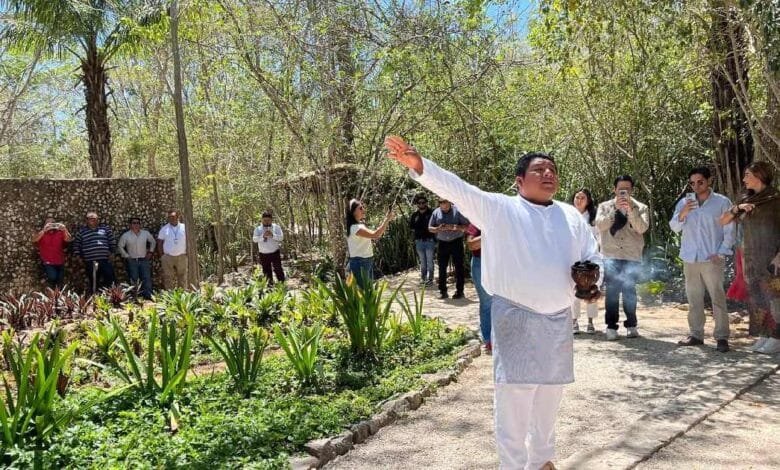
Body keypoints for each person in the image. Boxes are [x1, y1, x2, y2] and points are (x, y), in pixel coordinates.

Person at [385, 135, 601, 470]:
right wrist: (420, 166)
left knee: (549, 395)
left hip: (558, 318)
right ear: (519, 181)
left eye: (552, 170)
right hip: (515, 316)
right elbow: (458, 189)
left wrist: (592, 278)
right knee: (514, 399)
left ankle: (542, 460)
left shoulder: (571, 215)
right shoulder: (500, 208)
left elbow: (591, 254)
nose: (548, 175)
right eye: (539, 169)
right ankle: (513, 466)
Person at [670, 166, 735, 352]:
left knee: (717, 297)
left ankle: (722, 337)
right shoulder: (684, 202)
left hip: (711, 257)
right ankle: (696, 334)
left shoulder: (722, 202)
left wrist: (721, 251)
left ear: (709, 181)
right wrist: (683, 213)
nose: (696, 186)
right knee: (694, 298)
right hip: (690, 257)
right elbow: (674, 227)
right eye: (692, 183)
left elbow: (730, 230)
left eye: (700, 182)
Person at [719, 161, 780, 354]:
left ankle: (777, 337)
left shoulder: (775, 200)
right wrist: (738, 208)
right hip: (750, 258)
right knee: (757, 298)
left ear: (759, 175)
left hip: (771, 259)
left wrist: (779, 257)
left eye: (747, 175)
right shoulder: (746, 200)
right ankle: (764, 334)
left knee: (774, 298)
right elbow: (722, 221)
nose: (744, 179)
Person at [595, 175, 650, 340]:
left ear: (632, 190)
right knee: (611, 292)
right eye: (620, 189)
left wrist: (631, 211)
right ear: (615, 189)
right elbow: (600, 225)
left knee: (629, 292)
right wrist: (614, 211)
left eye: (627, 189)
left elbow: (641, 229)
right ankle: (611, 327)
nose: (624, 193)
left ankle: (631, 325)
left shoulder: (641, 207)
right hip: (611, 255)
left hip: (631, 256)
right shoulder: (605, 206)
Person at [345, 199, 394, 287]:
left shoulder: (358, 226)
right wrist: (387, 220)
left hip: (365, 261)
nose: (363, 210)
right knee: (363, 292)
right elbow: (375, 235)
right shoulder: (355, 228)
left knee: (367, 291)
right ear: (353, 212)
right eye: (360, 208)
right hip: (360, 263)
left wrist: (386, 220)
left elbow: (375, 235)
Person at [429, 199, 470, 299]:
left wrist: (454, 227)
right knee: (442, 268)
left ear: (449, 202)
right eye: (441, 203)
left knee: (459, 267)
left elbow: (467, 226)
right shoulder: (436, 212)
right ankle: (442, 291)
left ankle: (460, 291)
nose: (444, 206)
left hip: (456, 242)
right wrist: (438, 228)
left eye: (445, 203)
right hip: (442, 243)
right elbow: (430, 228)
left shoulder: (458, 211)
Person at [571, 189, 599, 334]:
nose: (579, 200)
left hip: (590, 260)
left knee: (591, 289)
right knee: (573, 289)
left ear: (588, 200)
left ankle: (590, 321)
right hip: (572, 258)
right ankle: (574, 320)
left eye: (583, 197)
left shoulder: (594, 218)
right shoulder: (568, 215)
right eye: (577, 197)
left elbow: (599, 239)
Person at [72, 211, 116, 295]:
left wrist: (112, 252)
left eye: (95, 219)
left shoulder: (105, 229)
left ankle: (111, 297)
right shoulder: (82, 232)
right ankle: (95, 298)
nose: (93, 220)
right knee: (94, 280)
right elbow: (76, 245)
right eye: (90, 219)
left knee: (110, 277)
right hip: (90, 261)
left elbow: (112, 241)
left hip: (105, 259)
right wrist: (78, 257)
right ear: (86, 220)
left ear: (98, 220)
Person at [466, 223, 493, 354]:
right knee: (487, 302)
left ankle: (502, 337)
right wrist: (491, 234)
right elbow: (471, 244)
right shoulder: (477, 222)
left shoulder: (505, 218)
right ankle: (488, 338)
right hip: (480, 264)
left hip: (499, 264)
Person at [117, 217, 157, 300]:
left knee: (146, 278)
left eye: (137, 223)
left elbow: (153, 241)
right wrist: (127, 256)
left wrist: (150, 252)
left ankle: (148, 296)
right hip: (132, 260)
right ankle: (135, 297)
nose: (136, 225)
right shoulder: (126, 235)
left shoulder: (145, 233)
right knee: (134, 279)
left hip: (144, 259)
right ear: (130, 225)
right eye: (134, 223)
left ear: (140, 224)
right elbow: (120, 246)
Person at [32, 217, 72, 289]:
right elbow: (34, 239)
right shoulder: (42, 234)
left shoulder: (60, 233)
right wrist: (44, 230)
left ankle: (57, 297)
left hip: (60, 261)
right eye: (48, 223)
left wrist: (64, 229)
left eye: (52, 223)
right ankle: (52, 294)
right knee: (53, 277)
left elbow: (69, 239)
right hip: (48, 262)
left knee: (60, 280)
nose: (50, 226)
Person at [157, 210, 188, 290]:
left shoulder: (184, 227)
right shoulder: (164, 229)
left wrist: (187, 253)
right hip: (168, 257)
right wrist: (162, 256)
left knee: (182, 276)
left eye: (173, 217)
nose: (171, 219)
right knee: (168, 277)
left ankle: (182, 294)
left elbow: (189, 240)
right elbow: (159, 242)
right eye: (169, 217)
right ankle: (169, 296)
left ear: (178, 217)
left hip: (181, 256)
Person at [252, 211, 286, 285]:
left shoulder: (276, 227)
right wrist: (262, 236)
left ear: (271, 220)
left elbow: (281, 238)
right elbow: (254, 239)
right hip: (263, 254)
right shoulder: (258, 229)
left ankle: (282, 285)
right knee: (266, 271)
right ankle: (269, 287)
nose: (266, 222)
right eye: (265, 220)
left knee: (278, 269)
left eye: (268, 220)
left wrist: (273, 235)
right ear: (261, 220)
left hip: (275, 252)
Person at [409, 194, 436, 286]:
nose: (421, 204)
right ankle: (423, 278)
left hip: (429, 240)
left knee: (429, 261)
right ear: (417, 204)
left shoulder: (432, 213)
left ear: (426, 203)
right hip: (419, 241)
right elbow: (412, 228)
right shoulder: (415, 215)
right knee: (422, 261)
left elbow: (435, 227)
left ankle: (430, 279)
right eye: (419, 203)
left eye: (423, 202)